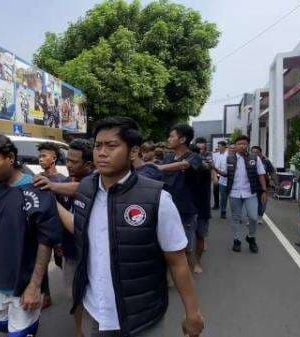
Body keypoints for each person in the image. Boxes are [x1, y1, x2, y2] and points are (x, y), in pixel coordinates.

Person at [55, 117, 204, 337]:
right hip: (93, 313)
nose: (102, 152)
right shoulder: (86, 189)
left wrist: (193, 313)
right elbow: (81, 228)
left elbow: (178, 261)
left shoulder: (157, 199)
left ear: (133, 152)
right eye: (98, 145)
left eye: (112, 146)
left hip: (140, 319)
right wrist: (53, 203)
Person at [0, 134, 62, 337]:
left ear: (10, 158)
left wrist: (34, 285)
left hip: (24, 286)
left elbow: (45, 242)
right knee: (3, 328)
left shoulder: (37, 190)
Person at [34, 138, 94, 337]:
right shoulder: (65, 181)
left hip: (93, 253)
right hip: (70, 251)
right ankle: (79, 331)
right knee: (72, 296)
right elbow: (59, 215)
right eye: (67, 160)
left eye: (74, 162)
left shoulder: (97, 182)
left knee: (93, 297)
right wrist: (58, 241)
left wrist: (51, 188)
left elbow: (81, 190)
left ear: (89, 164)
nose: (68, 165)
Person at [158, 124, 202, 270]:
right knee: (166, 241)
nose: (168, 139)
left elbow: (184, 165)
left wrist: (159, 167)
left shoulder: (194, 157)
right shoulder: (168, 156)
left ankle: (193, 265)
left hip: (186, 208)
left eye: (172, 136)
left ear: (182, 139)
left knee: (187, 243)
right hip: (167, 206)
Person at [35, 141, 66, 309]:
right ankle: (45, 295)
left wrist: (61, 238)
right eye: (39, 156)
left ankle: (76, 287)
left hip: (59, 231)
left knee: (63, 262)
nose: (40, 159)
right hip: (41, 230)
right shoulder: (37, 179)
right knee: (42, 263)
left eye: (43, 156)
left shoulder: (62, 181)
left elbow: (66, 208)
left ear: (53, 158)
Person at [226, 135, 269, 253]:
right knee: (236, 217)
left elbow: (261, 175)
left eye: (244, 143)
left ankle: (251, 237)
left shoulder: (254, 158)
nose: (242, 146)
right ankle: (236, 240)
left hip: (250, 193)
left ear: (247, 145)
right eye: (239, 143)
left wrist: (264, 191)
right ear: (235, 145)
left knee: (253, 217)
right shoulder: (229, 158)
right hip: (234, 193)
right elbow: (224, 173)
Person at [192, 139, 212, 274]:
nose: (199, 154)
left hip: (201, 207)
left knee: (200, 236)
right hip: (184, 207)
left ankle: (197, 262)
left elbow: (207, 169)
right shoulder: (180, 166)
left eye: (201, 150)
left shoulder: (205, 167)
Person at [251, 146, 276, 225]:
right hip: (252, 185)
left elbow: (272, 172)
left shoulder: (266, 161)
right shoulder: (248, 160)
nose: (254, 153)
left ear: (260, 152)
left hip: (264, 185)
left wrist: (275, 182)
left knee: (262, 203)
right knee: (251, 202)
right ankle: (251, 218)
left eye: (256, 152)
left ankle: (260, 216)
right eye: (253, 152)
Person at [213, 141, 229, 219]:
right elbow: (214, 167)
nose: (218, 147)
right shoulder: (215, 155)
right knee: (218, 193)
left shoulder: (228, 155)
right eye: (218, 146)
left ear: (224, 147)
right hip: (218, 176)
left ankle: (225, 211)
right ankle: (219, 207)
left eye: (219, 146)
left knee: (226, 196)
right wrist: (214, 176)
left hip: (226, 177)